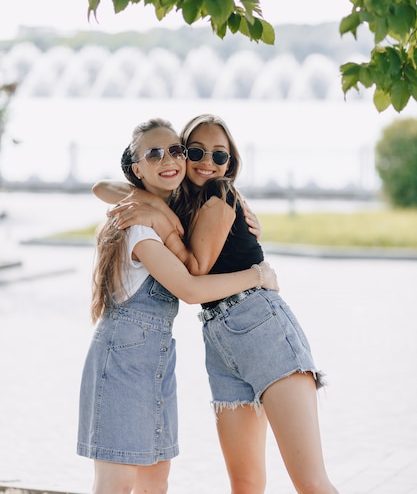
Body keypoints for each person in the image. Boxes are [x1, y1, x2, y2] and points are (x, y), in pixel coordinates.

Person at [94, 114, 339, 494]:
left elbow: (195, 270)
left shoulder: (217, 194)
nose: (208, 162)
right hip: (221, 340)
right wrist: (156, 210)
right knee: (245, 483)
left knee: (309, 482)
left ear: (231, 163)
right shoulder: (181, 203)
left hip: (262, 326)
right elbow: (103, 187)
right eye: (195, 151)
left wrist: (162, 225)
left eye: (219, 156)